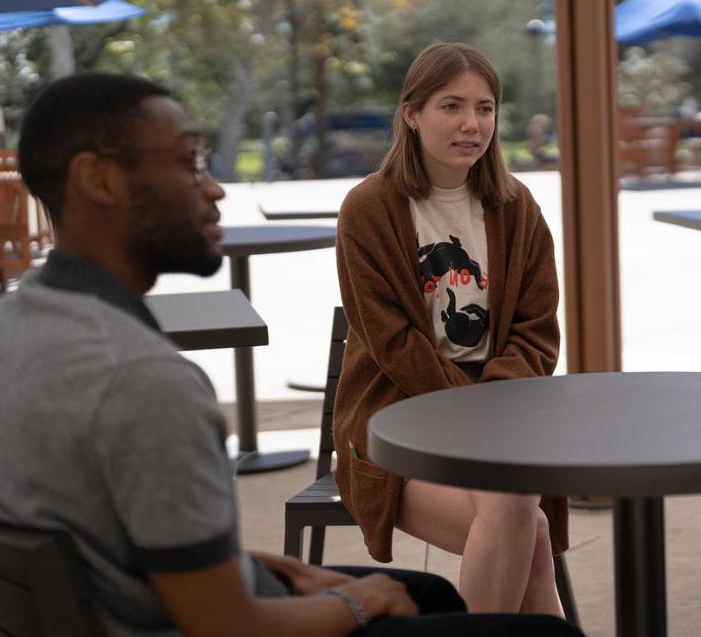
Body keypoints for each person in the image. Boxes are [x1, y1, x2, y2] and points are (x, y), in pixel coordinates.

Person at [0, 72, 581, 637]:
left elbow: (134, 546)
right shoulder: (148, 384)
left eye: (485, 108)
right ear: (98, 181)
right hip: (390, 435)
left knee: (484, 557)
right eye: (188, 163)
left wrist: (256, 567)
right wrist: (357, 602)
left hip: (129, 599)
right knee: (500, 584)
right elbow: (224, 622)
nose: (217, 187)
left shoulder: (23, 329)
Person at [334, 42, 569, 617]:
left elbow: (537, 332)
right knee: (521, 521)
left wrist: (490, 408)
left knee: (522, 525)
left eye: (485, 108)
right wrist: (468, 418)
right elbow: (391, 343)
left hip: (502, 411)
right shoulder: (368, 208)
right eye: (452, 106)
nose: (471, 124)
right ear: (411, 114)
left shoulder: (517, 207)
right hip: (396, 418)